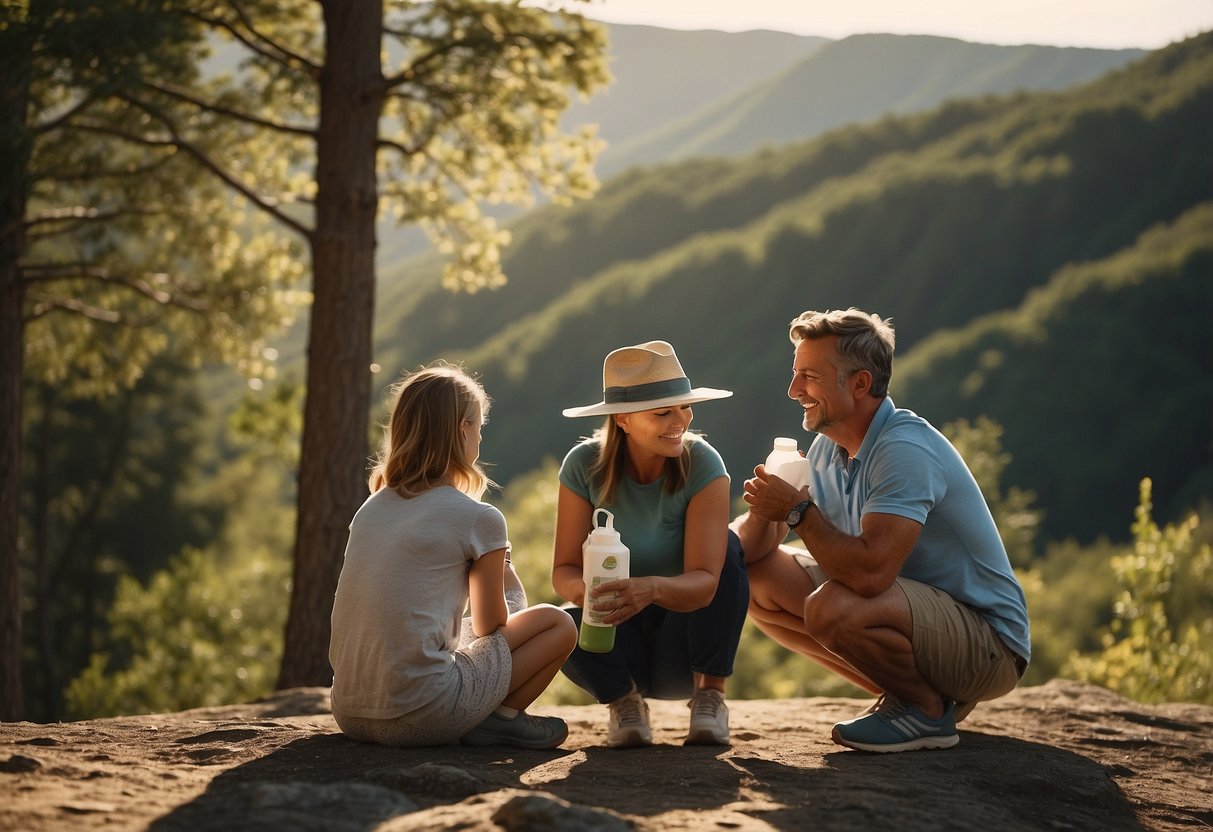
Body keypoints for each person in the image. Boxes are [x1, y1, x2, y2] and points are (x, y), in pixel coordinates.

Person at [733, 309, 1031, 753]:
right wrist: (757, 514)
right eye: (796, 375)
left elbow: (871, 574)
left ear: (860, 384)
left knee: (832, 606)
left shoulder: (903, 449)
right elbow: (757, 550)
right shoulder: (825, 451)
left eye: (810, 377)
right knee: (758, 580)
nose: (794, 391)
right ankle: (906, 696)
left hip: (989, 643)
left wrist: (797, 511)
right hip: (913, 617)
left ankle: (925, 711)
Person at [328, 364, 577, 749]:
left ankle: (488, 717)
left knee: (457, 633)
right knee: (557, 623)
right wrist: (505, 567)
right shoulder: (478, 517)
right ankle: (501, 719)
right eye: (479, 427)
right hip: (422, 714)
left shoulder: (371, 508)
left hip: (350, 711)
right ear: (463, 428)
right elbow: (491, 622)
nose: (480, 436)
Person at [553, 340, 749, 747]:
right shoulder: (581, 466)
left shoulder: (703, 463)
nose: (681, 421)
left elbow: (709, 582)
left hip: (684, 639)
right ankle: (625, 704)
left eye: (685, 407)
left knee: (727, 546)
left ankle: (710, 696)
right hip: (616, 642)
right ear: (622, 419)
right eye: (664, 412)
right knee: (559, 622)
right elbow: (563, 572)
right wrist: (591, 596)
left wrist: (652, 589)